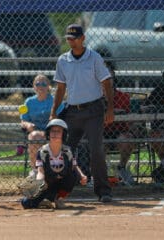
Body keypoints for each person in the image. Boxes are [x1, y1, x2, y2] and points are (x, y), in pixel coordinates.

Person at [49, 24, 114, 202]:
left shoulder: (94, 57)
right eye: (69, 38)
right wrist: (54, 111)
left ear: (83, 38)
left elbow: (106, 82)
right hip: (73, 111)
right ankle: (60, 189)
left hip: (94, 110)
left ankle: (103, 191)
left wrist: (110, 108)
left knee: (96, 150)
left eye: (75, 38)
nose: (72, 41)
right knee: (64, 149)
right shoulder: (63, 60)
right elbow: (61, 87)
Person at [21, 119, 87, 209]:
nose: (55, 133)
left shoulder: (68, 151)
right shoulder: (42, 151)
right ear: (49, 133)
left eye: (58, 131)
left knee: (73, 175)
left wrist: (82, 176)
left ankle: (59, 199)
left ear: (63, 134)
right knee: (25, 203)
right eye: (52, 131)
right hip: (47, 184)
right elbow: (40, 171)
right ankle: (44, 201)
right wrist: (40, 182)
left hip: (61, 185)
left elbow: (74, 166)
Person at [20, 74, 63, 177]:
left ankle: (51, 169)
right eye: (37, 83)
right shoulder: (29, 102)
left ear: (48, 86)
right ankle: (35, 170)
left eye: (44, 83)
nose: (40, 86)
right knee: (35, 136)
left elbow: (62, 117)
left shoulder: (54, 100)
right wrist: (28, 124)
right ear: (34, 86)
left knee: (42, 136)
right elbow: (23, 120)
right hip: (35, 131)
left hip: (52, 131)